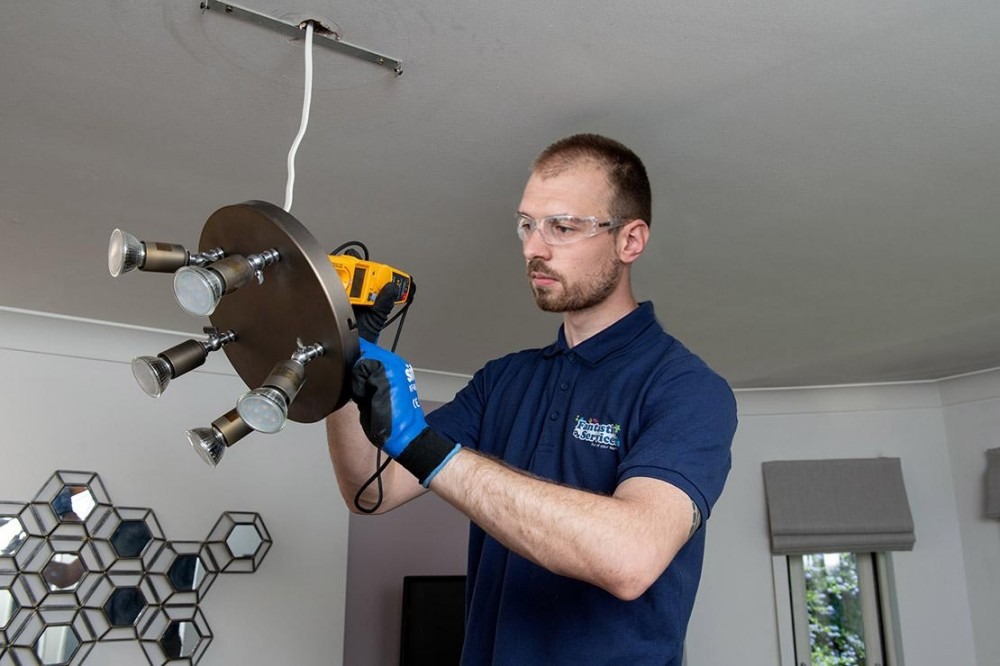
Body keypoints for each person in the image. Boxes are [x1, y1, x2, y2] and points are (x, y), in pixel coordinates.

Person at [326, 133, 737, 665]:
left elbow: (630, 558)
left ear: (630, 241)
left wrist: (422, 445)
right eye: (527, 224)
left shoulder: (686, 388)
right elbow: (371, 488)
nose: (533, 248)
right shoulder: (504, 380)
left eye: (562, 227)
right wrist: (340, 353)